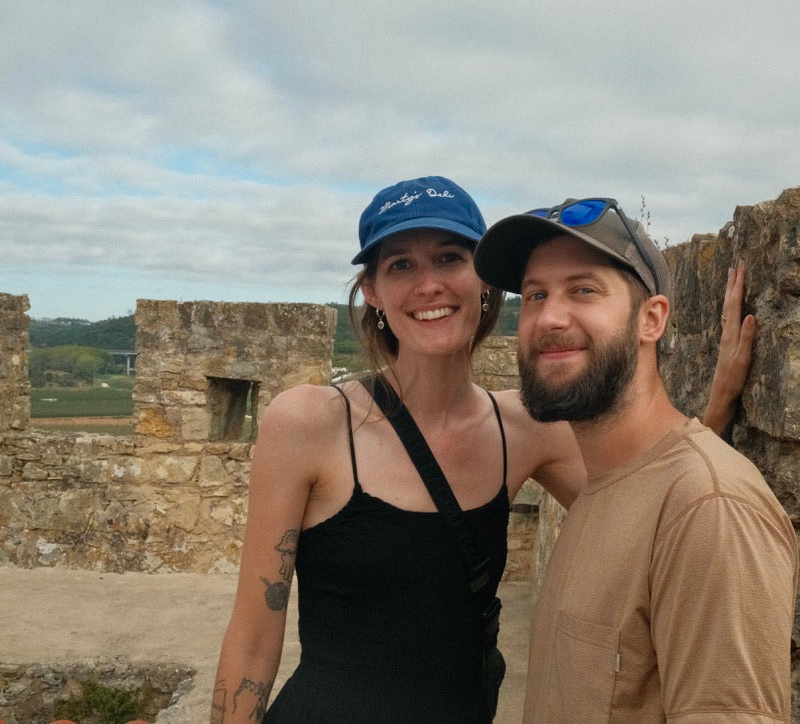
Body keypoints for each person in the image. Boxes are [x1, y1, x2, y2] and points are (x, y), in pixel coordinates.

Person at [211, 177, 754, 723]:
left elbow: (640, 505)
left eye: (449, 258)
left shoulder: (527, 428)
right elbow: (254, 638)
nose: (428, 285)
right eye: (401, 265)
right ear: (372, 291)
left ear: (485, 283)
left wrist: (718, 406)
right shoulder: (309, 422)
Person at [473, 196, 798, 723]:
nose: (549, 317)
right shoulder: (603, 487)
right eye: (534, 295)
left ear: (652, 320)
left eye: (583, 290)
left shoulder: (710, 509)